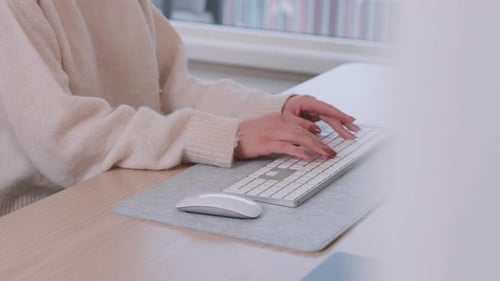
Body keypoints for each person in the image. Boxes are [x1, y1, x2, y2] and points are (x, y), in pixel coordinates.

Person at [0, 0, 359, 215]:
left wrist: (276, 109)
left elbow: (173, 89)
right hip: (42, 218)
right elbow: (66, 141)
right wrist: (229, 136)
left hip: (120, 193)